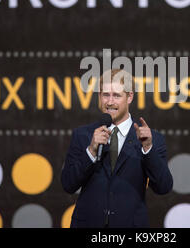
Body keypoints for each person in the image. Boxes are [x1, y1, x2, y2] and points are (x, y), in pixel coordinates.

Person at [61, 68, 173, 228]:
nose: (110, 102)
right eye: (105, 95)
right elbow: (68, 184)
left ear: (130, 97)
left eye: (117, 95)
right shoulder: (83, 135)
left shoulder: (150, 138)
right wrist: (91, 151)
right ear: (99, 96)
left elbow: (163, 187)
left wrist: (148, 148)